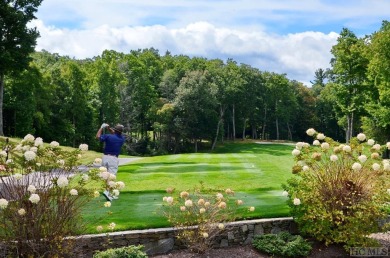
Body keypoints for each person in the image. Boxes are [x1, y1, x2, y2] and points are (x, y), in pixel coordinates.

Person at [96, 123, 125, 201]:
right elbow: (115, 134)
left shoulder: (108, 136)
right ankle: (107, 192)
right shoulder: (122, 139)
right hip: (113, 158)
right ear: (121, 132)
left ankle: (108, 193)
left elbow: (98, 136)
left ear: (114, 130)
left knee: (106, 176)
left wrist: (101, 128)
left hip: (105, 157)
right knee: (111, 177)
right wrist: (109, 128)